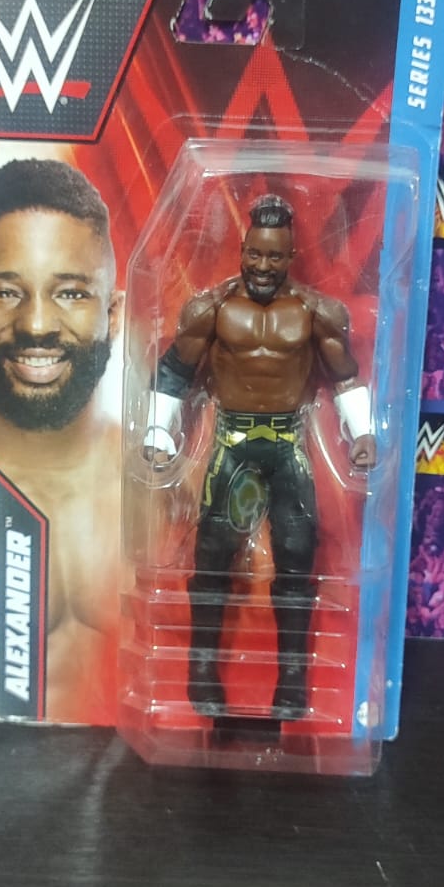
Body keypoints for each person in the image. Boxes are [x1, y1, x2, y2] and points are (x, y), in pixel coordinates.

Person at [144, 194, 375, 719]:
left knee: (297, 557)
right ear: (242, 250)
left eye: (274, 256)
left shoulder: (316, 313)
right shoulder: (212, 309)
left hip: (288, 446)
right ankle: (201, 670)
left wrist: (361, 432)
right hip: (233, 445)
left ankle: (292, 680)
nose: (263, 266)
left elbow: (344, 375)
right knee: (212, 559)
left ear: (291, 256)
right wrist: (159, 431)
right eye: (255, 254)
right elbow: (175, 371)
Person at [0, 158, 124, 723]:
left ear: (114, 314)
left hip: (132, 775)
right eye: (5, 292)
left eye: (71, 294)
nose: (36, 325)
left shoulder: (167, 484)